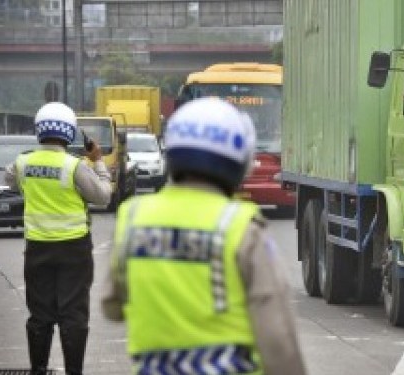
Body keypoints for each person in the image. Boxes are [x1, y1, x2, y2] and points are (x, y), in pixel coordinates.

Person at [102, 97, 306, 375]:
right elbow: (277, 338)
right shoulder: (240, 226)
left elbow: (112, 306)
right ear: (238, 161)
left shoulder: (133, 216)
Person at [4, 102, 113, 375]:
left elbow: (10, 181)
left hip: (37, 248)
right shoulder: (74, 167)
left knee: (40, 315)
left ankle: (38, 369)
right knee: (73, 314)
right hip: (73, 250)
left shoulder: (23, 162)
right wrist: (98, 161)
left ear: (39, 130)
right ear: (70, 133)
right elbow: (102, 197)